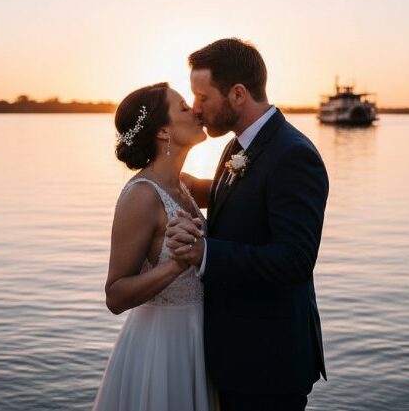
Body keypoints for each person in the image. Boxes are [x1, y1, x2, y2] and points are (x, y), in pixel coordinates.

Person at [167, 38, 328, 411]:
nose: (196, 108)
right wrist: (193, 188)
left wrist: (206, 253)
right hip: (236, 355)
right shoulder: (239, 145)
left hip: (268, 363)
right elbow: (248, 195)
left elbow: (294, 260)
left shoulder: (294, 155)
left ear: (237, 94)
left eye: (202, 97)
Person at [93, 82, 217, 411]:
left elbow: (241, 189)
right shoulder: (141, 196)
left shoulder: (184, 185)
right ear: (163, 131)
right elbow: (115, 295)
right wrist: (176, 265)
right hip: (161, 346)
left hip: (198, 337)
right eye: (183, 108)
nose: (196, 111)